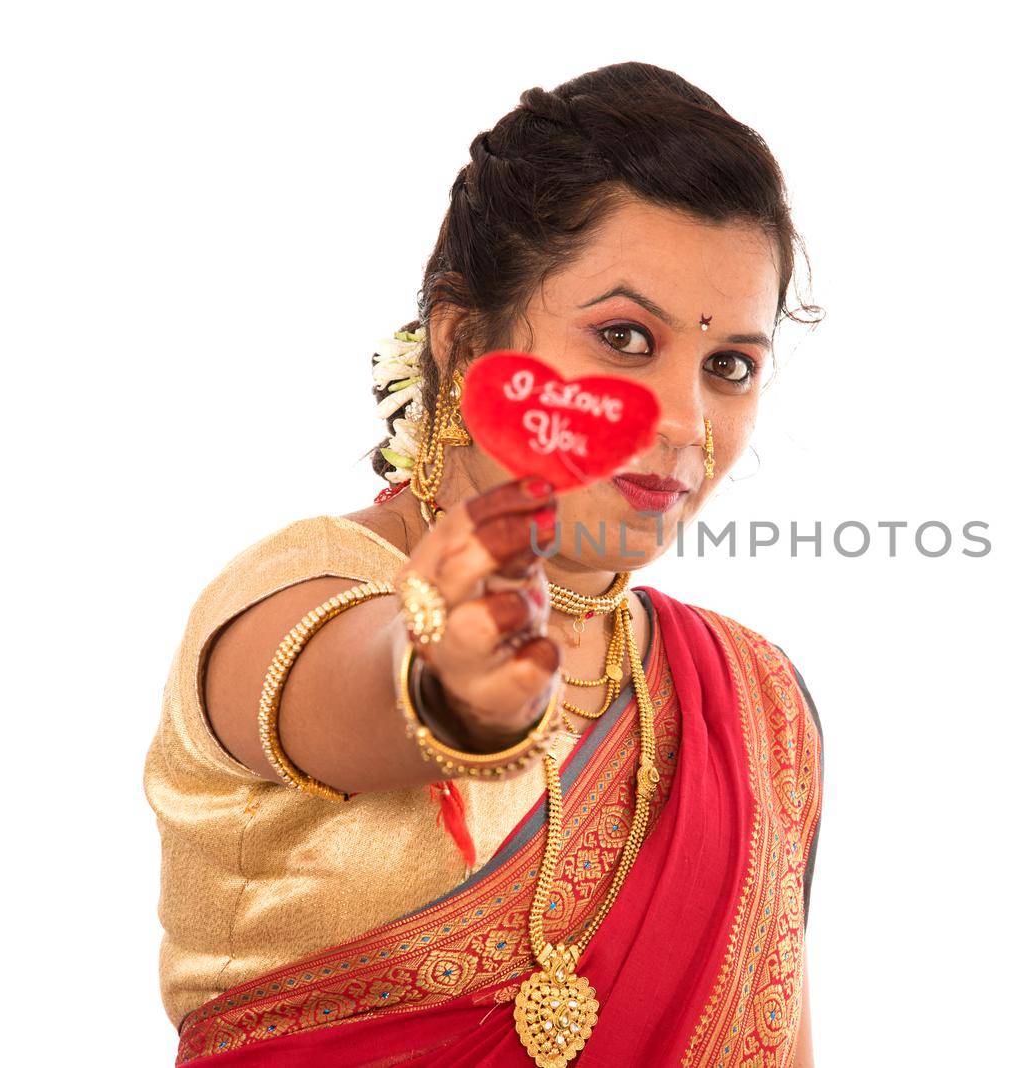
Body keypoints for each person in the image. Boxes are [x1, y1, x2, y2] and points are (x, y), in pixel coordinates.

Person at [144, 62, 825, 1067]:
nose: (684, 421)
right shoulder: (291, 598)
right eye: (624, 337)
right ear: (465, 344)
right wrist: (457, 688)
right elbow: (371, 680)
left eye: (729, 365)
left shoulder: (753, 703)